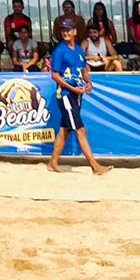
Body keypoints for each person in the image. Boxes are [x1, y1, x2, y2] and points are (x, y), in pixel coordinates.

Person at [47, 20, 109, 175]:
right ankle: (95, 166)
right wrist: (71, 88)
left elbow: (83, 69)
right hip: (66, 94)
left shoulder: (79, 51)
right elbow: (55, 75)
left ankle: (53, 162)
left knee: (66, 128)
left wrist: (89, 83)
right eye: (63, 31)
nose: (66, 33)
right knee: (81, 130)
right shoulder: (59, 51)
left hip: (77, 93)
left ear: (74, 31)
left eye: (68, 30)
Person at [4, 0, 34, 67]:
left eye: (19, 6)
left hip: (26, 41)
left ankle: (31, 64)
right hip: (13, 41)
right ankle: (17, 65)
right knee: (10, 44)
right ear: (13, 7)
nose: (17, 8)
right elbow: (8, 36)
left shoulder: (26, 19)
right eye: (15, 7)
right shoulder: (9, 19)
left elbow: (30, 34)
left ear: (23, 7)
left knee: (42, 46)